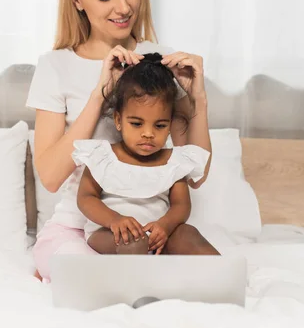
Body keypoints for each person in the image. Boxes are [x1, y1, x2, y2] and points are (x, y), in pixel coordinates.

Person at [27, 0, 214, 280]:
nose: (124, 8)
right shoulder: (55, 66)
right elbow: (52, 177)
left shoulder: (159, 59)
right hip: (78, 228)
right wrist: (100, 93)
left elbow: (197, 174)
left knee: (205, 270)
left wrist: (197, 99)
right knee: (94, 276)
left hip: (151, 228)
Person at [73, 53, 219, 256]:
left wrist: (165, 226)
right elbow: (86, 198)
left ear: (169, 124)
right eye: (136, 123)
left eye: (160, 125)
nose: (148, 133)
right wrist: (114, 219)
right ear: (118, 120)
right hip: (108, 233)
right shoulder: (103, 155)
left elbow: (181, 204)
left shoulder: (174, 161)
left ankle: (224, 280)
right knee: (132, 242)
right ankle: (143, 285)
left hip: (158, 233)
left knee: (188, 233)